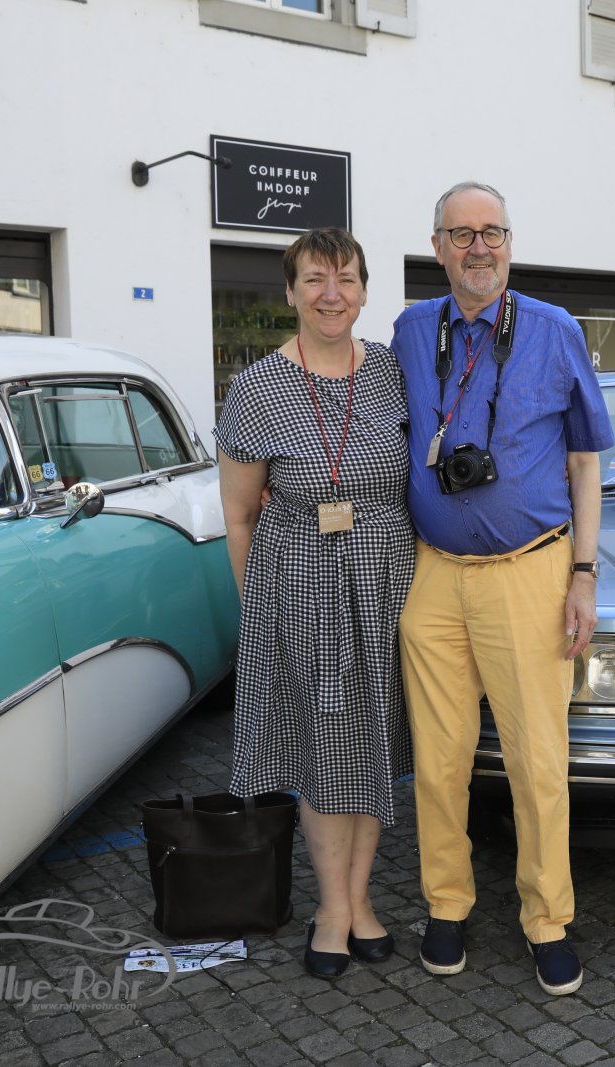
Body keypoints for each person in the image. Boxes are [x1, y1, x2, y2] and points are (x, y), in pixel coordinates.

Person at [391, 181, 614, 996]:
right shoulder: (411, 330)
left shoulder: (555, 331)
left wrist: (583, 574)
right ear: (438, 247)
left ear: (510, 242)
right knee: (437, 760)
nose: (478, 247)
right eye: (461, 234)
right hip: (433, 576)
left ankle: (547, 918)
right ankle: (446, 904)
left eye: (492, 232)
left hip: (530, 572)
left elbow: (585, 464)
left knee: (537, 762)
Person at [215, 227, 413, 980]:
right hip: (300, 586)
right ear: (291, 291)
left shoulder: (391, 372)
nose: (333, 294)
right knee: (326, 748)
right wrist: (260, 611)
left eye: (347, 278)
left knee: (375, 743)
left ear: (363, 291)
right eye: (315, 279)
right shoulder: (257, 388)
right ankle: (332, 908)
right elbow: (240, 515)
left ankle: (361, 899)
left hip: (388, 580)